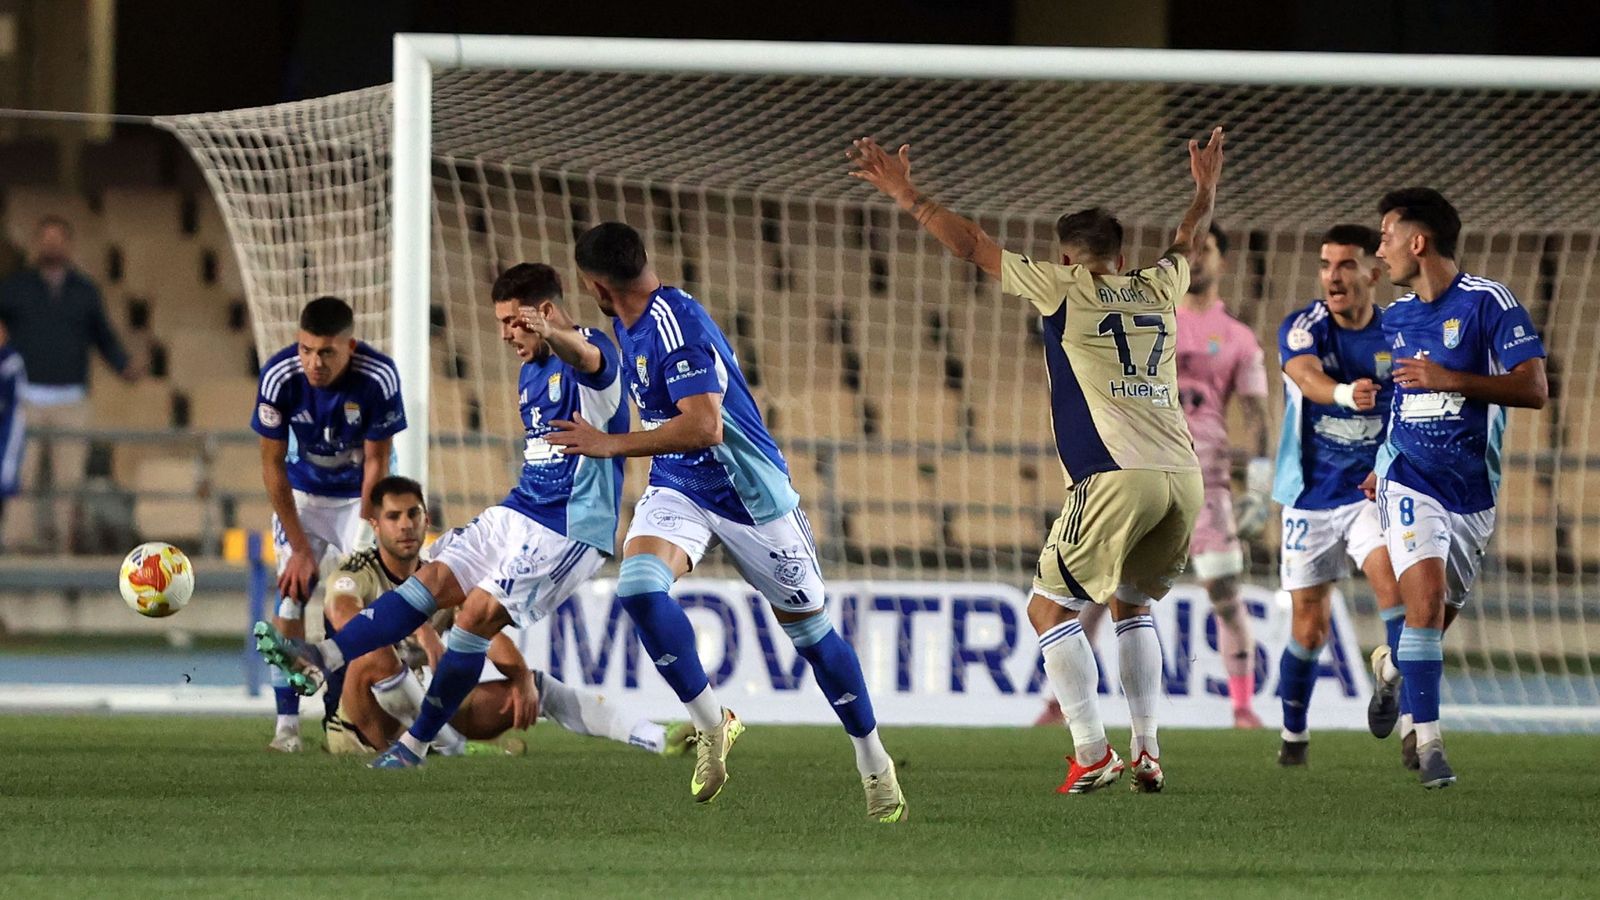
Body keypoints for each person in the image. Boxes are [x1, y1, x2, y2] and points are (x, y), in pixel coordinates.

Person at [848, 127, 1223, 794]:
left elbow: (974, 248)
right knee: (1131, 605)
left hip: (1117, 473)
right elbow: (1186, 241)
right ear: (1121, 252)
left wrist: (907, 195)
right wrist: (1203, 189)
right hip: (1181, 477)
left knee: (1048, 612)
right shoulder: (1160, 285)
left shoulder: (1064, 287)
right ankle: (1148, 749)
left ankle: (1090, 749)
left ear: (1068, 256)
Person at [544, 222, 907, 822]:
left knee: (814, 639)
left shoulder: (673, 328)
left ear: (598, 286)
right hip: (681, 486)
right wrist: (556, 334)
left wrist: (610, 444)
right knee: (636, 588)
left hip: (750, 496)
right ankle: (713, 725)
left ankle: (875, 764)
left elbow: (706, 426)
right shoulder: (631, 317)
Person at [253, 263, 632, 775]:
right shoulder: (528, 373)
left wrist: (554, 333)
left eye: (511, 322)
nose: (503, 334)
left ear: (542, 313)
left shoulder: (592, 350)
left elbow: (588, 360)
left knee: (473, 617)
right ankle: (322, 661)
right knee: (429, 580)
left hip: (568, 526)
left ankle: (416, 745)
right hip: (520, 510)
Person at [1367, 187, 1547, 788]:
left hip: (1472, 488)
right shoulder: (1392, 319)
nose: (1381, 247)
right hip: (1408, 478)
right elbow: (1394, 398)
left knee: (1432, 623)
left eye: (1387, 234)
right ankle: (1432, 746)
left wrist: (1451, 378)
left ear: (1419, 242)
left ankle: (1390, 668)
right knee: (1421, 603)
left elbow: (1534, 390)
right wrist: (1377, 461)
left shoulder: (1488, 303)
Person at [321, 475, 690, 757]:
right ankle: (444, 747)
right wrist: (421, 630)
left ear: (426, 518)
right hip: (361, 722)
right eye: (393, 517)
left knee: (531, 687)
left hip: (416, 704)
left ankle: (652, 737)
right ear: (375, 525)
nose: (405, 525)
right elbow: (345, 619)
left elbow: (487, 629)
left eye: (413, 514)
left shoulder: (443, 570)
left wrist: (521, 678)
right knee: (373, 654)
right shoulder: (357, 570)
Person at [1271, 224, 1401, 766]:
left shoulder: (1398, 332)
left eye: (1346, 265)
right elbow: (1304, 376)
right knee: (1309, 625)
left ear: (1372, 272)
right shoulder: (1305, 326)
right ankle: (1294, 734)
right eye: (1326, 265)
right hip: (1311, 495)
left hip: (1373, 490)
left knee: (1396, 596)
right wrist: (1346, 393)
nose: (1333, 276)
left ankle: (1406, 704)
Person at [253, 295, 406, 752]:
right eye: (305, 350)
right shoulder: (280, 376)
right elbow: (272, 467)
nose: (313, 363)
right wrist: (300, 549)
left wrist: (364, 536)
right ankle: (287, 727)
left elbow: (377, 463)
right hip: (305, 496)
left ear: (350, 347)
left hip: (361, 497)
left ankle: (367, 714)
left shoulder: (378, 376)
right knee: (291, 597)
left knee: (365, 599)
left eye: (326, 352)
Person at [1175, 221, 1272, 728]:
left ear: (1222, 261)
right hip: (1150, 475)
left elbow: (1257, 415)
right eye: (1187, 248)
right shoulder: (1151, 322)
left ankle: (1241, 706)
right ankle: (1059, 706)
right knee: (1108, 587)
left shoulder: (1237, 337)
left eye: (1205, 248)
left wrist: (1259, 485)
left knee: (1224, 592)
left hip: (1209, 483)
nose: (1194, 257)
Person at [0, 215, 138, 549]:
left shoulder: (85, 292)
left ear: (69, 245)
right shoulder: (15, 288)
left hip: (71, 401)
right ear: (37, 244)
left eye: (58, 239)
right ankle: (16, 548)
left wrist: (123, 365)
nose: (52, 245)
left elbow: (102, 336)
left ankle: (63, 549)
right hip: (26, 401)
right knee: (23, 478)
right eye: (45, 239)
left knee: (68, 481)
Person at [0, 322, 26, 543]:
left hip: (6, 429)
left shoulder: (10, 361)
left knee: (7, 478)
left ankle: (9, 539)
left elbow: (15, 402)